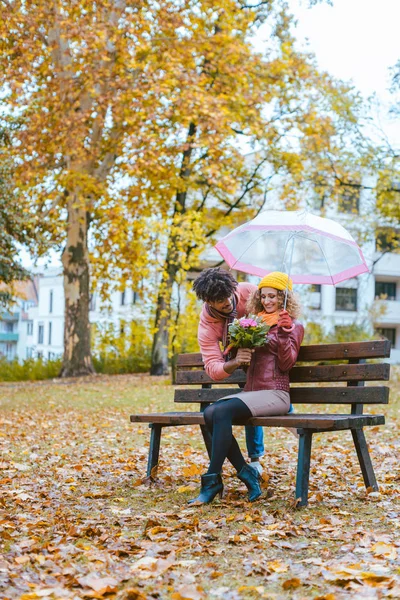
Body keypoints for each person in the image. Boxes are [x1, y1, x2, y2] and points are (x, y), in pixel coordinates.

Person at [189, 271, 304, 505]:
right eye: (264, 297)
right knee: (210, 413)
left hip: (276, 393)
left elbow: (286, 363)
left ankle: (212, 482)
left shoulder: (291, 325)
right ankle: (246, 472)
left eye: (274, 296)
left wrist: (285, 332)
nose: (267, 301)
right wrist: (236, 357)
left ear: (284, 298)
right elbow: (214, 365)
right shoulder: (255, 324)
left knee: (220, 411)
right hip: (253, 391)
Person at [193, 268, 265, 474]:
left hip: (267, 361)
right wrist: (233, 363)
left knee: (254, 394)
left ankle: (254, 459)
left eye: (227, 294)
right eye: (218, 299)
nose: (226, 301)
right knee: (245, 397)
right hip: (241, 367)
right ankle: (253, 462)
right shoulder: (207, 324)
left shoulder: (250, 292)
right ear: (207, 300)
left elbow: (272, 314)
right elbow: (212, 368)